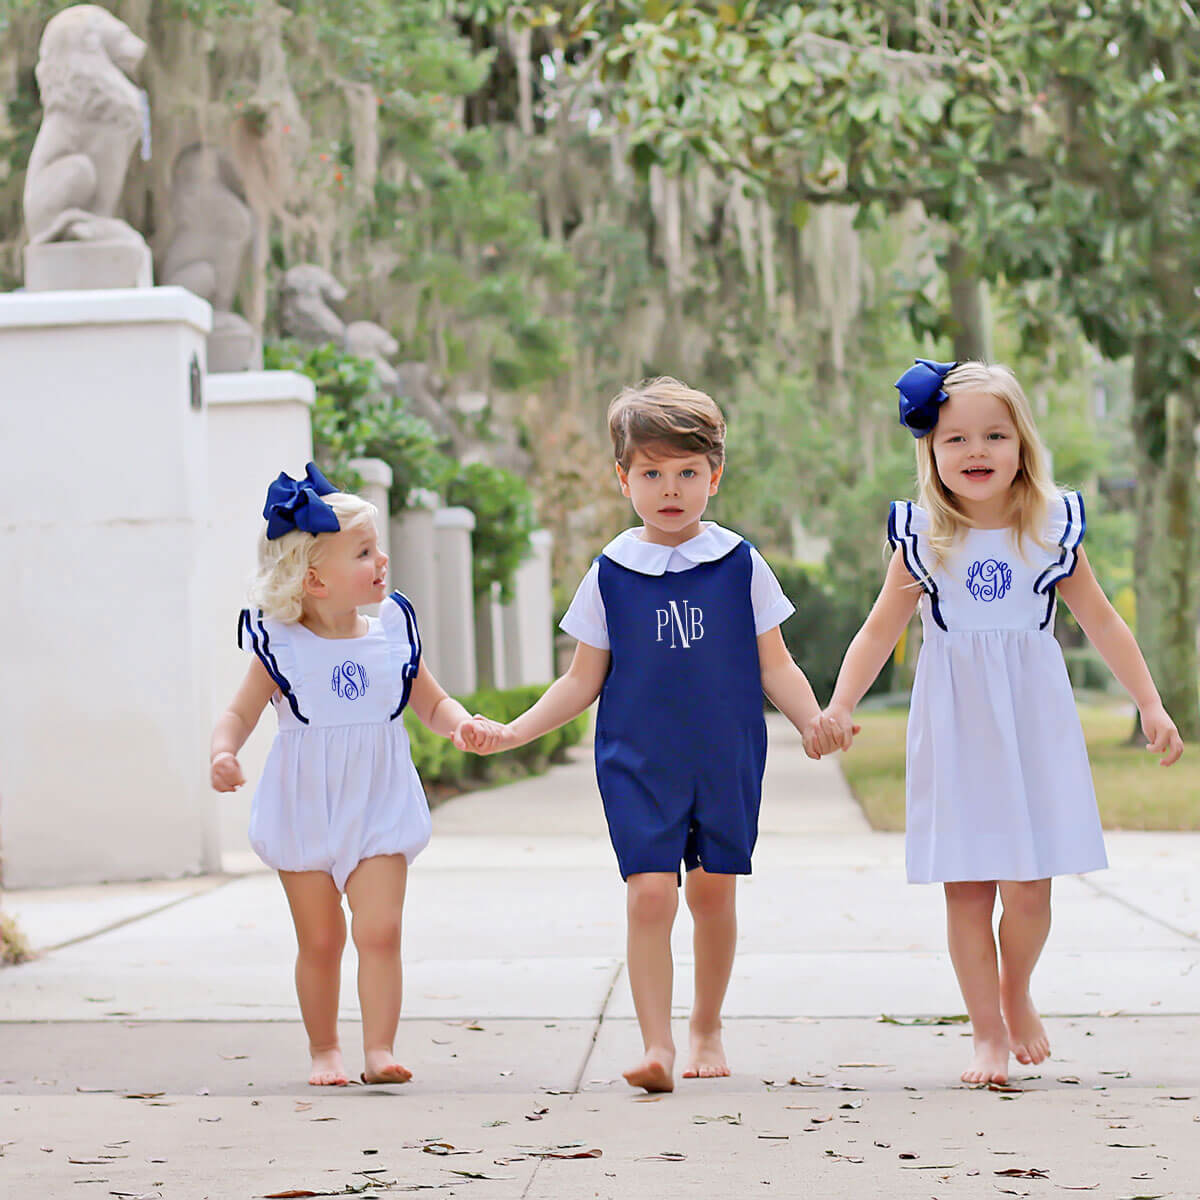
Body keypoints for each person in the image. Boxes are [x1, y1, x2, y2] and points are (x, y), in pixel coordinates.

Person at [810, 359, 1183, 1086]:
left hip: (1032, 727)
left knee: (1031, 888)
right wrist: (842, 704)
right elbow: (879, 631)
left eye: (994, 435)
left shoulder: (1049, 530)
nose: (975, 451)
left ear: (1022, 446)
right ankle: (986, 1034)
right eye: (955, 439)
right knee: (968, 888)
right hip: (956, 732)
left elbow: (1102, 620)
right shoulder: (924, 538)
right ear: (931, 450)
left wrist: (1149, 702)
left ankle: (1016, 991)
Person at [464, 377, 824, 1093]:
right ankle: (657, 1046)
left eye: (687, 473)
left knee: (712, 895)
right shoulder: (610, 574)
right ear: (622, 478)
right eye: (652, 474)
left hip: (723, 757)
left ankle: (706, 1025)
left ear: (713, 476)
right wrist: (514, 732)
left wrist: (812, 720)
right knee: (649, 893)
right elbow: (580, 681)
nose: (670, 490)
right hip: (638, 761)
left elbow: (775, 664)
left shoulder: (740, 564)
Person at [210, 463, 484, 1087]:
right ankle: (325, 1049)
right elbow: (239, 713)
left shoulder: (391, 636)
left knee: (380, 930)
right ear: (313, 579)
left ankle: (379, 1050)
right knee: (322, 940)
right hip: (305, 809)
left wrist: (459, 725)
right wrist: (224, 751)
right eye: (363, 553)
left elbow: (432, 702)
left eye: (377, 547)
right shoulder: (280, 645)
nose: (381, 560)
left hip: (378, 803)